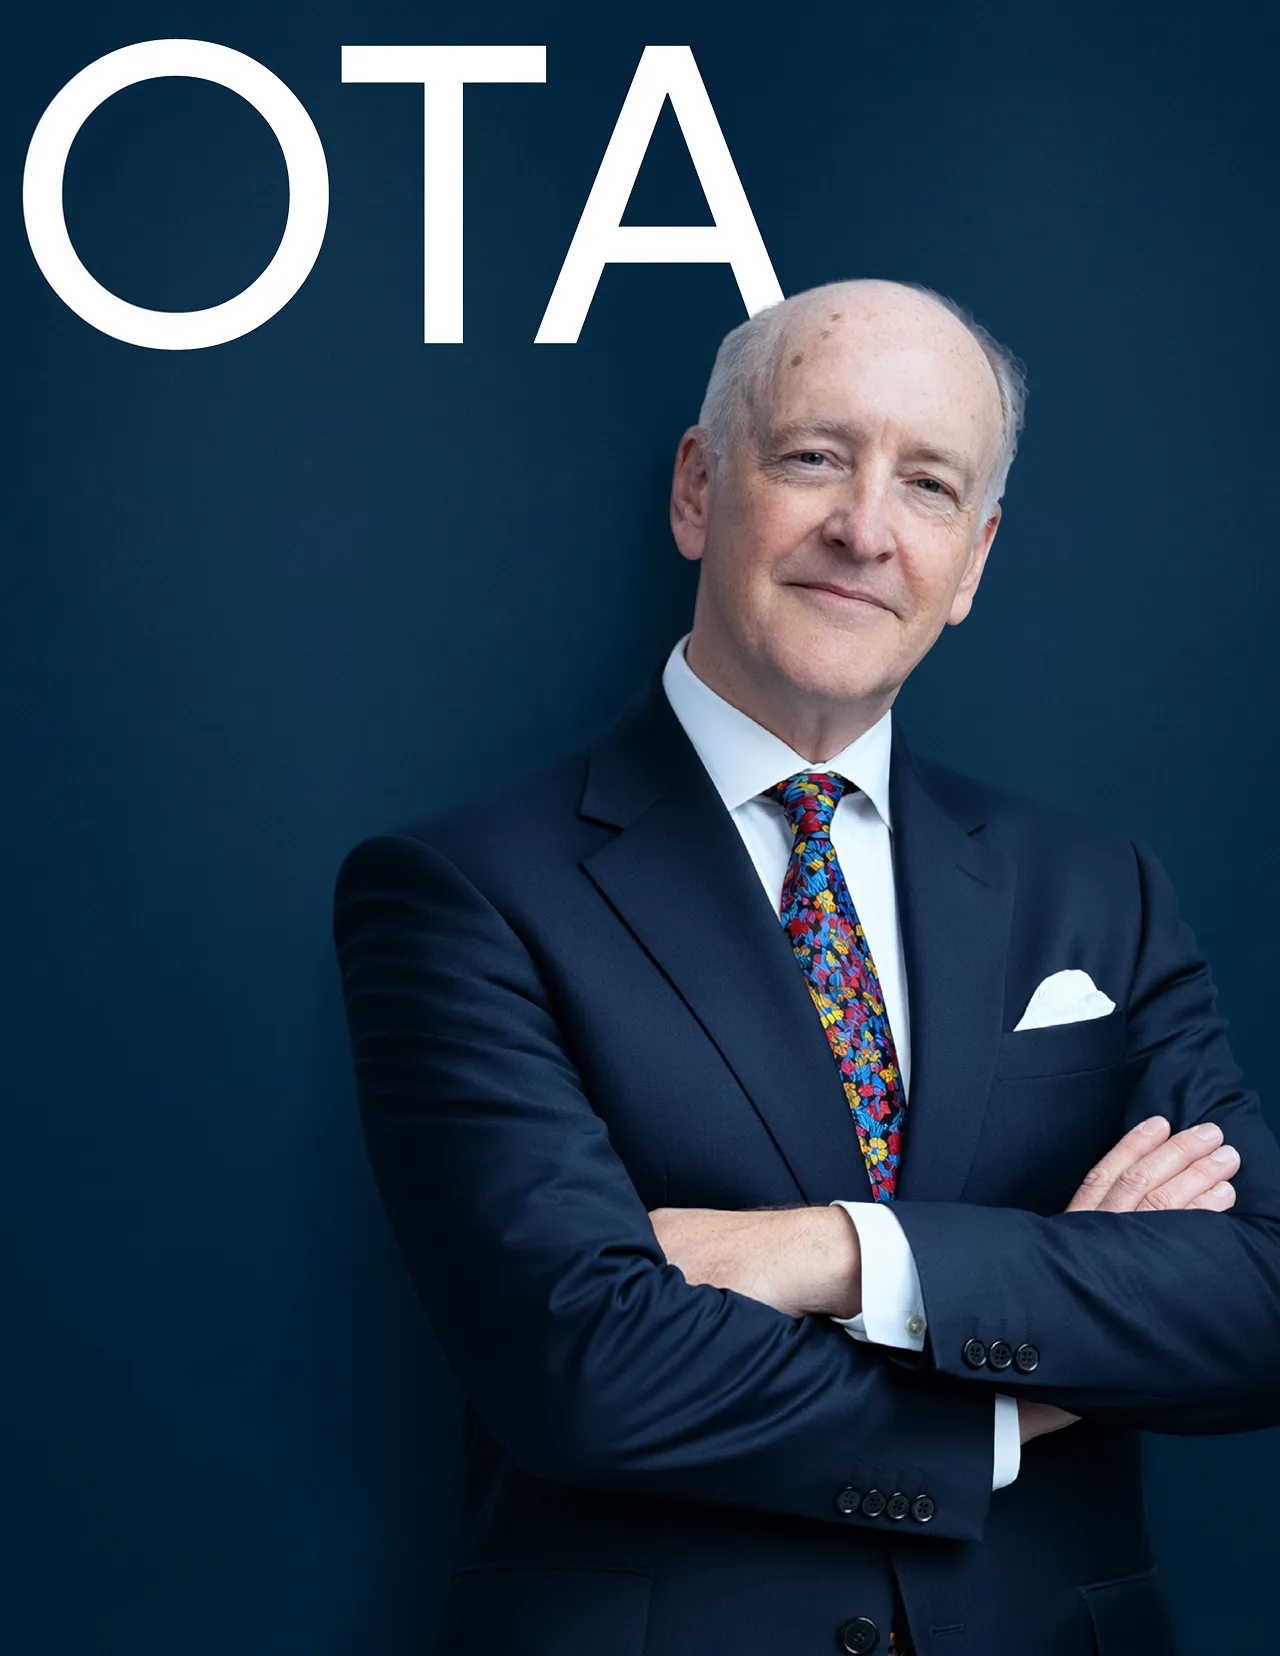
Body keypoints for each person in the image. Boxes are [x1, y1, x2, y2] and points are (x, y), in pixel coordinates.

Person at [332, 278, 1280, 1656]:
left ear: (974, 565)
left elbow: (1255, 1297)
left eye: (930, 486)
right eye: (817, 457)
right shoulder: (460, 892)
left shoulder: (1099, 893)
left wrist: (836, 1252)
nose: (865, 529)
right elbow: (583, 1370)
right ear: (699, 489)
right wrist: (1034, 1374)